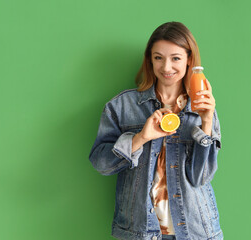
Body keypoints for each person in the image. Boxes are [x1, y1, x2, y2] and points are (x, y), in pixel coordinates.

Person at [89, 21, 223, 240]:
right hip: (140, 232)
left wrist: (206, 123)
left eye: (176, 58)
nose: (166, 67)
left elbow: (201, 178)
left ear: (189, 60)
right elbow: (101, 164)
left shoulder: (202, 107)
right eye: (158, 57)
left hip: (195, 232)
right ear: (150, 60)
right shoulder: (122, 107)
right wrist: (140, 137)